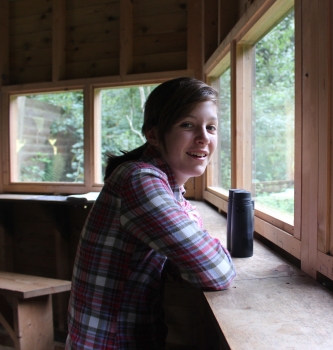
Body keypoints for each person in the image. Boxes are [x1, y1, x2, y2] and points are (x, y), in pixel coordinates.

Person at [66, 77, 236, 349]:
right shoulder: (139, 179)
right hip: (109, 342)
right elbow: (216, 271)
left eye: (211, 127)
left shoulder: (165, 185)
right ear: (154, 134)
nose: (204, 137)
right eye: (188, 125)